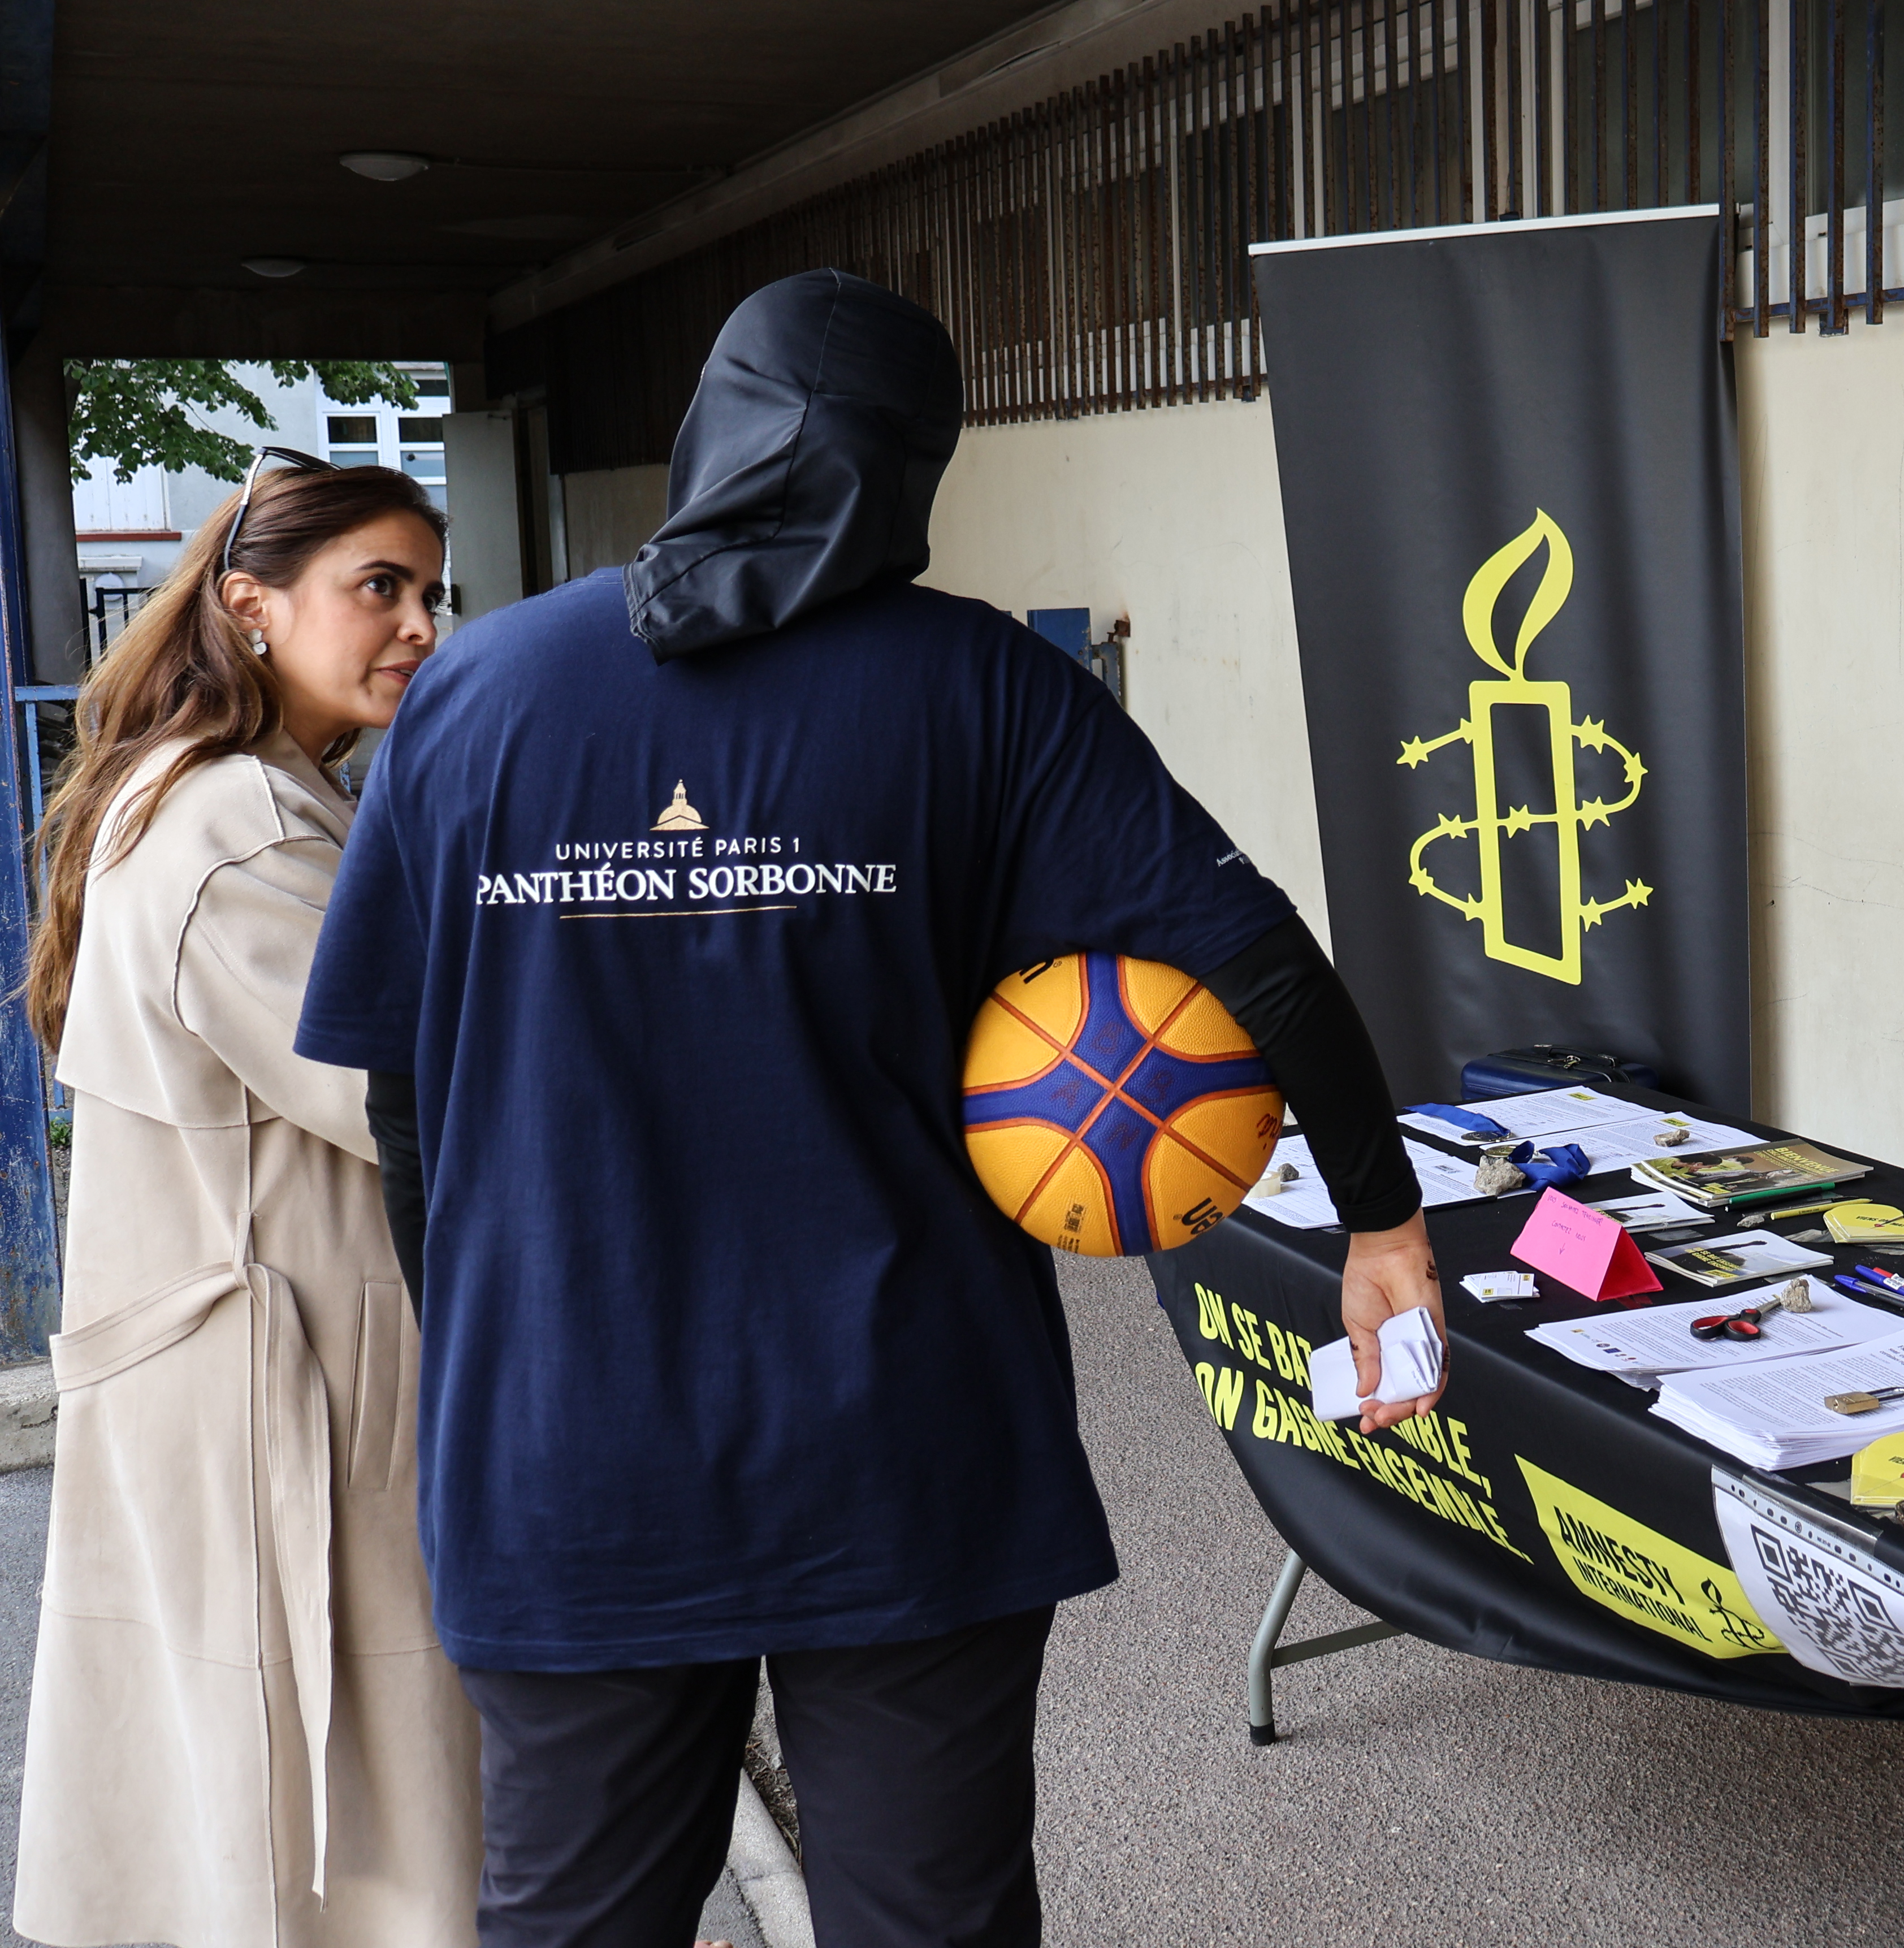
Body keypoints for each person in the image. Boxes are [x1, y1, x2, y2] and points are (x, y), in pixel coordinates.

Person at [290, 271, 1444, 1948]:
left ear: (710, 427)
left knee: (570, 1924)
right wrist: (1381, 1216)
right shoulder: (985, 688)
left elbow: (402, 1093)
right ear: (919, 469)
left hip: (565, 1451)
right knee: (930, 1921)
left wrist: (484, 1328)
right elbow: (1254, 955)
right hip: (905, 1449)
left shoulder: (475, 694)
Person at [15, 454, 478, 1948]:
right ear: (251, 606)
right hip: (280, 1378)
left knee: (245, 1779)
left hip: (236, 1357)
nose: (417, 624)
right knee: (337, 1779)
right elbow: (404, 1088)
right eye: (378, 589)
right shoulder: (245, 831)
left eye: (429, 590)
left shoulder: (230, 794)